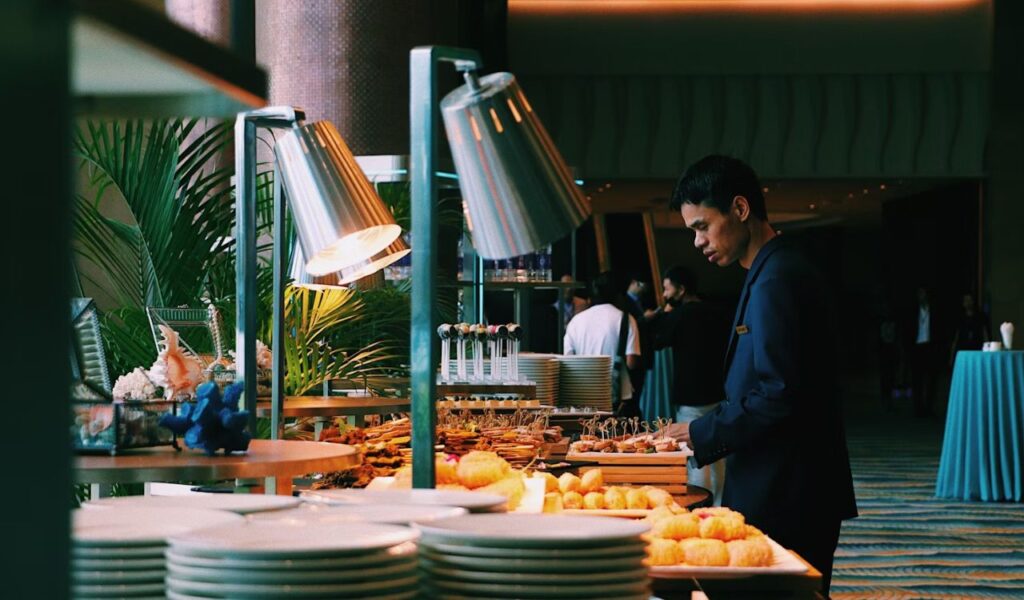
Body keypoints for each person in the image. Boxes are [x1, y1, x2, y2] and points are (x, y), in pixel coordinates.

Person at [665, 155, 856, 596]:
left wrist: (700, 430)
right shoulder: (773, 269)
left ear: (740, 208)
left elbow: (778, 392)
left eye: (702, 226)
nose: (697, 241)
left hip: (788, 489)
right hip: (787, 481)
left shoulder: (778, 278)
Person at [651, 265, 730, 505]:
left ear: (681, 290)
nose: (665, 294)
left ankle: (699, 508)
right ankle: (720, 505)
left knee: (695, 457)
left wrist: (662, 314)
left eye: (667, 289)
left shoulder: (679, 315)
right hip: (719, 392)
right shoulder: (718, 311)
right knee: (719, 455)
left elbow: (657, 341)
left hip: (690, 396)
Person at [564, 272, 642, 416]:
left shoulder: (575, 321)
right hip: (615, 401)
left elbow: (568, 360)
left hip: (581, 396)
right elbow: (631, 362)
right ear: (618, 295)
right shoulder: (626, 319)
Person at [910, 287, 940, 417]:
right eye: (919, 294)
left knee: (931, 378)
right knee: (917, 378)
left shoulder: (933, 310)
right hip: (917, 346)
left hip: (930, 346)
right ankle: (918, 408)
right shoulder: (913, 311)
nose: (921, 297)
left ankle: (929, 406)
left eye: (923, 294)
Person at [950, 293, 989, 361]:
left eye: (970, 300)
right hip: (963, 350)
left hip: (977, 349)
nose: (968, 303)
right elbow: (955, 338)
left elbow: (985, 334)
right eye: (966, 300)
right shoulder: (960, 317)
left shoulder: (980, 316)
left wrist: (987, 349)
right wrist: (952, 357)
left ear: (973, 301)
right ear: (963, 303)